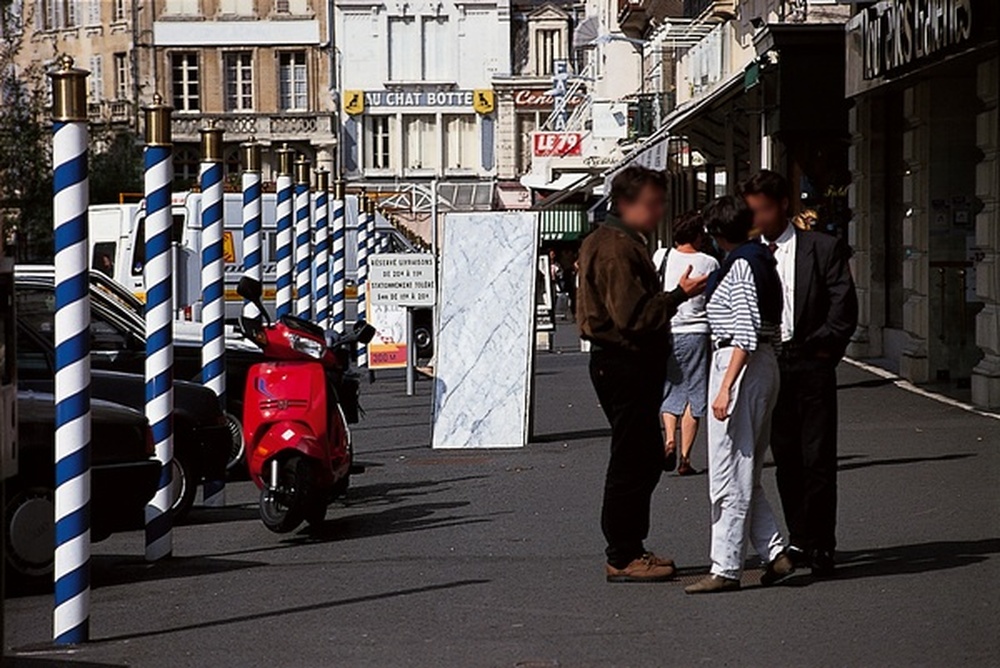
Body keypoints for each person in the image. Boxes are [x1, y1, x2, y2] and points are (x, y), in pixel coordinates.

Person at [577, 165, 707, 583]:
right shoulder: (616, 246)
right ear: (627, 203)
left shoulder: (615, 240)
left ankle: (629, 547)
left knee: (642, 456)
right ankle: (623, 554)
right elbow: (632, 316)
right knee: (633, 460)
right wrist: (677, 296)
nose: (659, 211)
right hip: (623, 359)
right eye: (653, 204)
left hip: (623, 360)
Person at [742, 170, 858, 576]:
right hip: (769, 363)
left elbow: (844, 308)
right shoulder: (746, 255)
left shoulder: (822, 248)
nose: (760, 218)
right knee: (787, 458)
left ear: (784, 206)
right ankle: (800, 539)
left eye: (765, 209)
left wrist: (821, 352)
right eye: (752, 210)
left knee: (819, 458)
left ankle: (822, 543)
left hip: (810, 359)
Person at [685, 196, 795, 594]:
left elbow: (745, 331)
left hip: (739, 363)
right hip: (758, 364)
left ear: (716, 234)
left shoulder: (742, 266)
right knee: (745, 467)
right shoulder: (761, 259)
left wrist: (725, 388)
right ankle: (774, 551)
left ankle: (726, 566)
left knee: (728, 471)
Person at [658, 212, 718, 476]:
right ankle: (685, 458)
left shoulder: (661, 256)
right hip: (697, 332)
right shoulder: (709, 262)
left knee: (670, 389)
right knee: (695, 394)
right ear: (697, 235)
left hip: (667, 330)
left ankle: (669, 438)